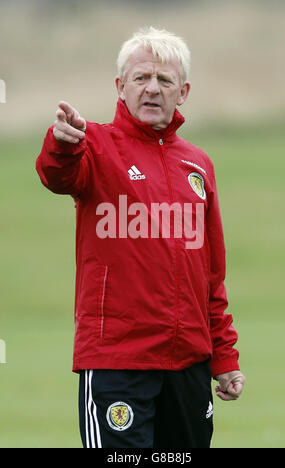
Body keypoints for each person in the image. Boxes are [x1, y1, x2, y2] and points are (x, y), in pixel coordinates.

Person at [36, 26, 245, 449]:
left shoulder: (198, 165)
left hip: (188, 364)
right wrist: (62, 145)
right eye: (141, 78)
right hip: (118, 362)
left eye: (165, 80)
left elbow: (211, 277)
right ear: (120, 86)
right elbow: (56, 175)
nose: (153, 89)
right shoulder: (94, 145)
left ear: (183, 91)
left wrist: (223, 357)